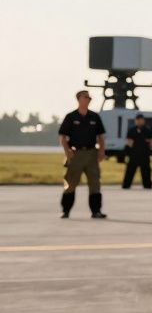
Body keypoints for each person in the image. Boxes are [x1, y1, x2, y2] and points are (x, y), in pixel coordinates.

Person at [57, 90, 108, 219]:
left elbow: (101, 137)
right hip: (76, 154)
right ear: (79, 99)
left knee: (95, 183)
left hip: (91, 154)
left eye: (89, 97)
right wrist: (67, 151)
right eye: (86, 97)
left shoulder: (94, 117)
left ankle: (96, 211)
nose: (88, 99)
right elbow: (62, 136)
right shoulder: (71, 117)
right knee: (71, 183)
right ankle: (66, 211)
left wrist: (102, 151)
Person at [122, 113, 152, 189]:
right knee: (130, 170)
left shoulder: (148, 130)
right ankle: (126, 185)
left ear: (143, 121)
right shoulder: (132, 130)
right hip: (134, 154)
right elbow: (129, 142)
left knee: (146, 171)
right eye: (137, 120)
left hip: (144, 154)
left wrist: (149, 146)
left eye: (140, 120)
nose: (139, 122)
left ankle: (147, 185)